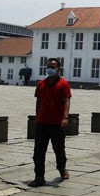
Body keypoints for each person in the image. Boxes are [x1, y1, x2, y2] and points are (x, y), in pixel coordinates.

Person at [28, 58, 72, 187]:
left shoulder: (63, 84)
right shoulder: (41, 84)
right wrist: (37, 116)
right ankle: (39, 176)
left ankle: (62, 169)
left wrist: (65, 118)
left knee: (59, 149)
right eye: (48, 66)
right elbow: (38, 101)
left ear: (58, 68)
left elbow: (66, 101)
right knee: (38, 151)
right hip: (42, 122)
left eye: (53, 66)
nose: (50, 69)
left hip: (56, 123)